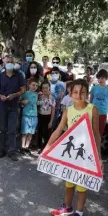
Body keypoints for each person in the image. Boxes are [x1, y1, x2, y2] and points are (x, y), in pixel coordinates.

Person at [43, 79, 103, 216]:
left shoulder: (92, 110)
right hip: (70, 155)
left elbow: (96, 134)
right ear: (70, 94)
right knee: (69, 183)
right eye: (75, 92)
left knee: (82, 185)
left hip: (85, 154)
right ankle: (67, 207)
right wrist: (46, 149)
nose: (78, 95)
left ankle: (79, 212)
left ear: (88, 94)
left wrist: (98, 157)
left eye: (82, 92)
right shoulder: (68, 111)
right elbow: (58, 131)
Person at [0, 55, 26, 161]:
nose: (9, 63)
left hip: (13, 105)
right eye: (7, 62)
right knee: (2, 128)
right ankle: (2, 149)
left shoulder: (19, 75)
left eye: (11, 62)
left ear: (14, 64)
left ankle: (12, 151)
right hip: (2, 105)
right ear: (4, 63)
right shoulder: (0, 75)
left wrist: (15, 95)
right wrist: (0, 96)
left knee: (12, 129)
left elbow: (23, 89)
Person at [19, 78, 38, 155]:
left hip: (34, 116)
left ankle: (27, 147)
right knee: (25, 132)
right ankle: (22, 147)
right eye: (33, 85)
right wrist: (23, 102)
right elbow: (19, 101)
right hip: (26, 115)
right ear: (29, 85)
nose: (34, 87)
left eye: (36, 85)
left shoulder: (37, 95)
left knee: (31, 133)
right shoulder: (25, 93)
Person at [90, 69, 108, 137]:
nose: (100, 80)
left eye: (102, 78)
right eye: (99, 78)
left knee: (99, 133)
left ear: (106, 78)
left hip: (103, 113)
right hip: (93, 113)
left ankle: (97, 146)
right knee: (91, 131)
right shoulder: (94, 88)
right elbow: (91, 100)